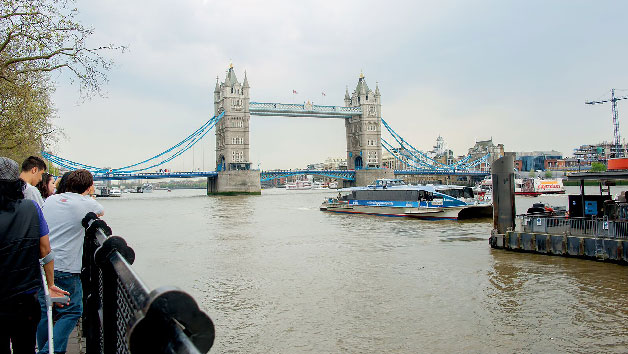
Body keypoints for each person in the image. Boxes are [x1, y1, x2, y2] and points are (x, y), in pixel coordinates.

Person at [0, 157, 68, 354]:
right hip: (25, 296)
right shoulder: (31, 208)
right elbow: (45, 250)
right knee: (25, 346)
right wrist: (51, 283)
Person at [36, 169, 104, 353]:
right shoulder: (85, 203)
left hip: (43, 263)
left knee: (45, 311)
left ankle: (44, 347)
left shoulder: (50, 200)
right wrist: (89, 196)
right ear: (89, 187)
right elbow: (101, 212)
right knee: (72, 310)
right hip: (67, 266)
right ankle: (48, 351)